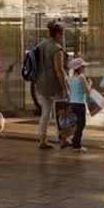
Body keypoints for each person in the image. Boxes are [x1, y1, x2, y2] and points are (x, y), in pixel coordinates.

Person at [33, 21, 67, 149]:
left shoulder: (41, 45)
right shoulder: (57, 49)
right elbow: (59, 70)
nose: (63, 37)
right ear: (58, 34)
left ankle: (42, 138)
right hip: (54, 85)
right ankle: (63, 138)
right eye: (63, 34)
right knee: (62, 112)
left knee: (46, 112)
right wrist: (65, 88)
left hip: (41, 83)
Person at [66, 57, 97, 153]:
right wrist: (90, 84)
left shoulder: (70, 78)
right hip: (80, 104)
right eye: (83, 66)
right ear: (79, 68)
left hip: (72, 103)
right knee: (81, 124)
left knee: (77, 124)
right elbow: (87, 92)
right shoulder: (82, 77)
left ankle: (74, 141)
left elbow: (70, 92)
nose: (84, 68)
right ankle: (76, 145)